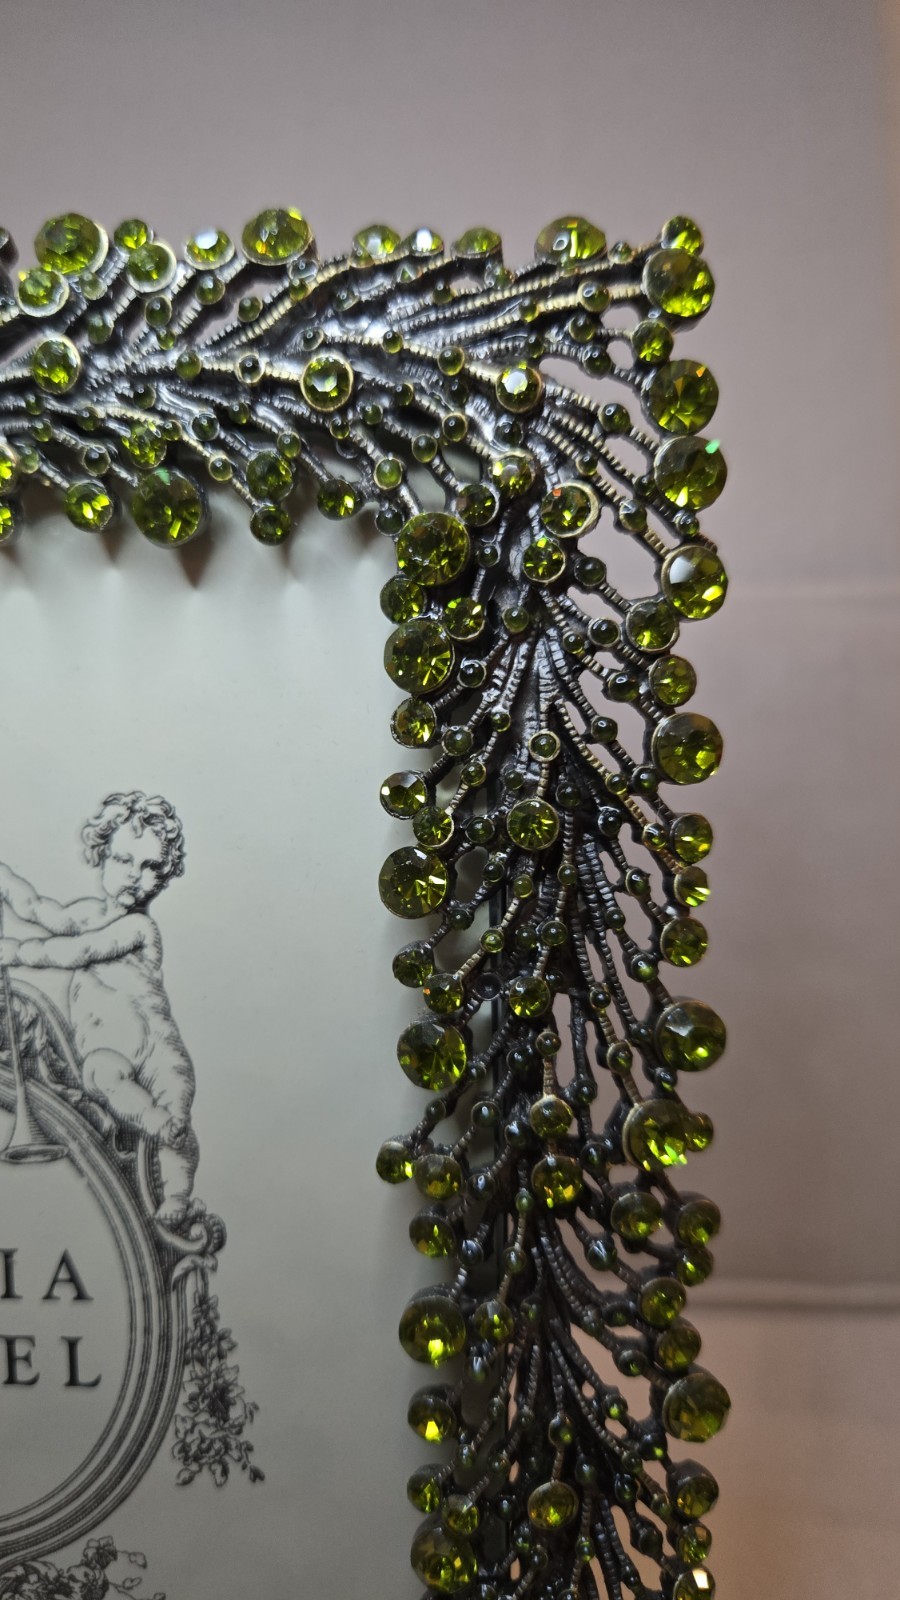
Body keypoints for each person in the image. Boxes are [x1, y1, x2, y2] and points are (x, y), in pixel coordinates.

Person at [0, 792, 198, 1227]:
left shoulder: (138, 927)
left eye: (150, 866)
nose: (135, 876)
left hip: (158, 1048)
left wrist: (12, 950)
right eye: (124, 860)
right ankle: (155, 1122)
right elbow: (39, 910)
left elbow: (77, 951)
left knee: (177, 1115)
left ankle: (177, 1195)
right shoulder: (89, 913)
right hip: (109, 1047)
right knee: (100, 1075)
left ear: (164, 874)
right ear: (101, 855)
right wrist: (6, 881)